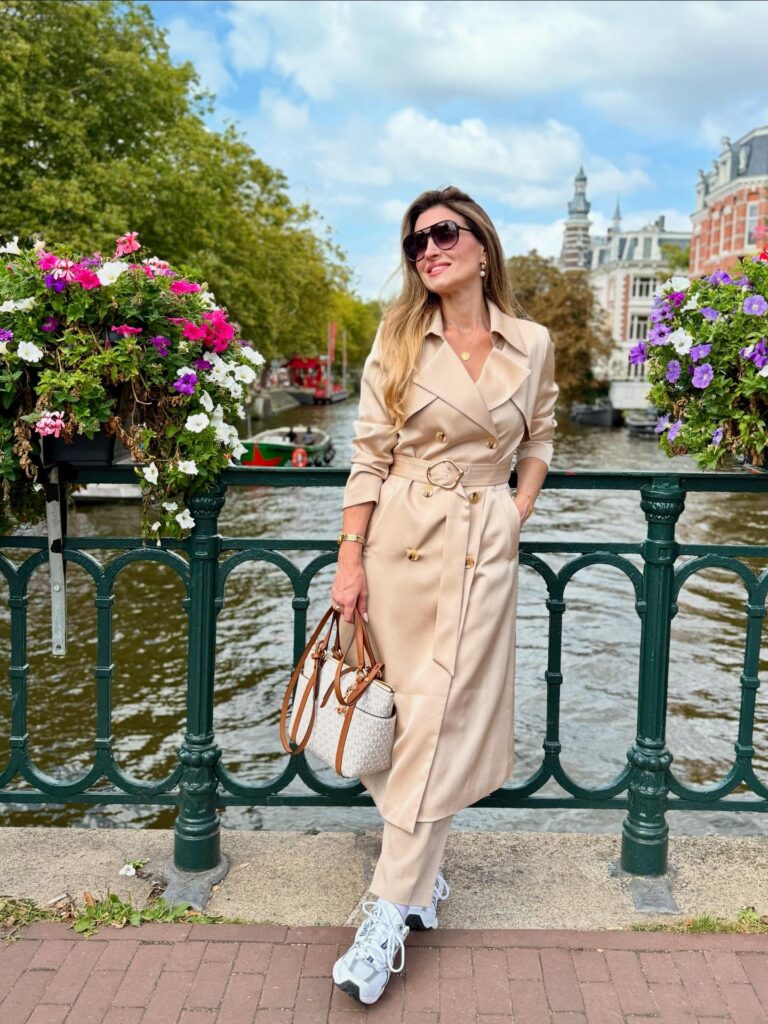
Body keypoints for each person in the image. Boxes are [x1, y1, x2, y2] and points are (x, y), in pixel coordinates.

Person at [329, 185, 559, 1005]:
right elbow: (367, 456)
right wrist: (349, 559)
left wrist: (516, 507)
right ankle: (419, 886)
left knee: (442, 717)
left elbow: (541, 437)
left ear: (482, 247)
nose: (428, 249)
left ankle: (387, 911)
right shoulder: (396, 341)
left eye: (444, 233)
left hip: (480, 548)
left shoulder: (530, 342)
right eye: (415, 242)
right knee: (401, 717)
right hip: (399, 544)